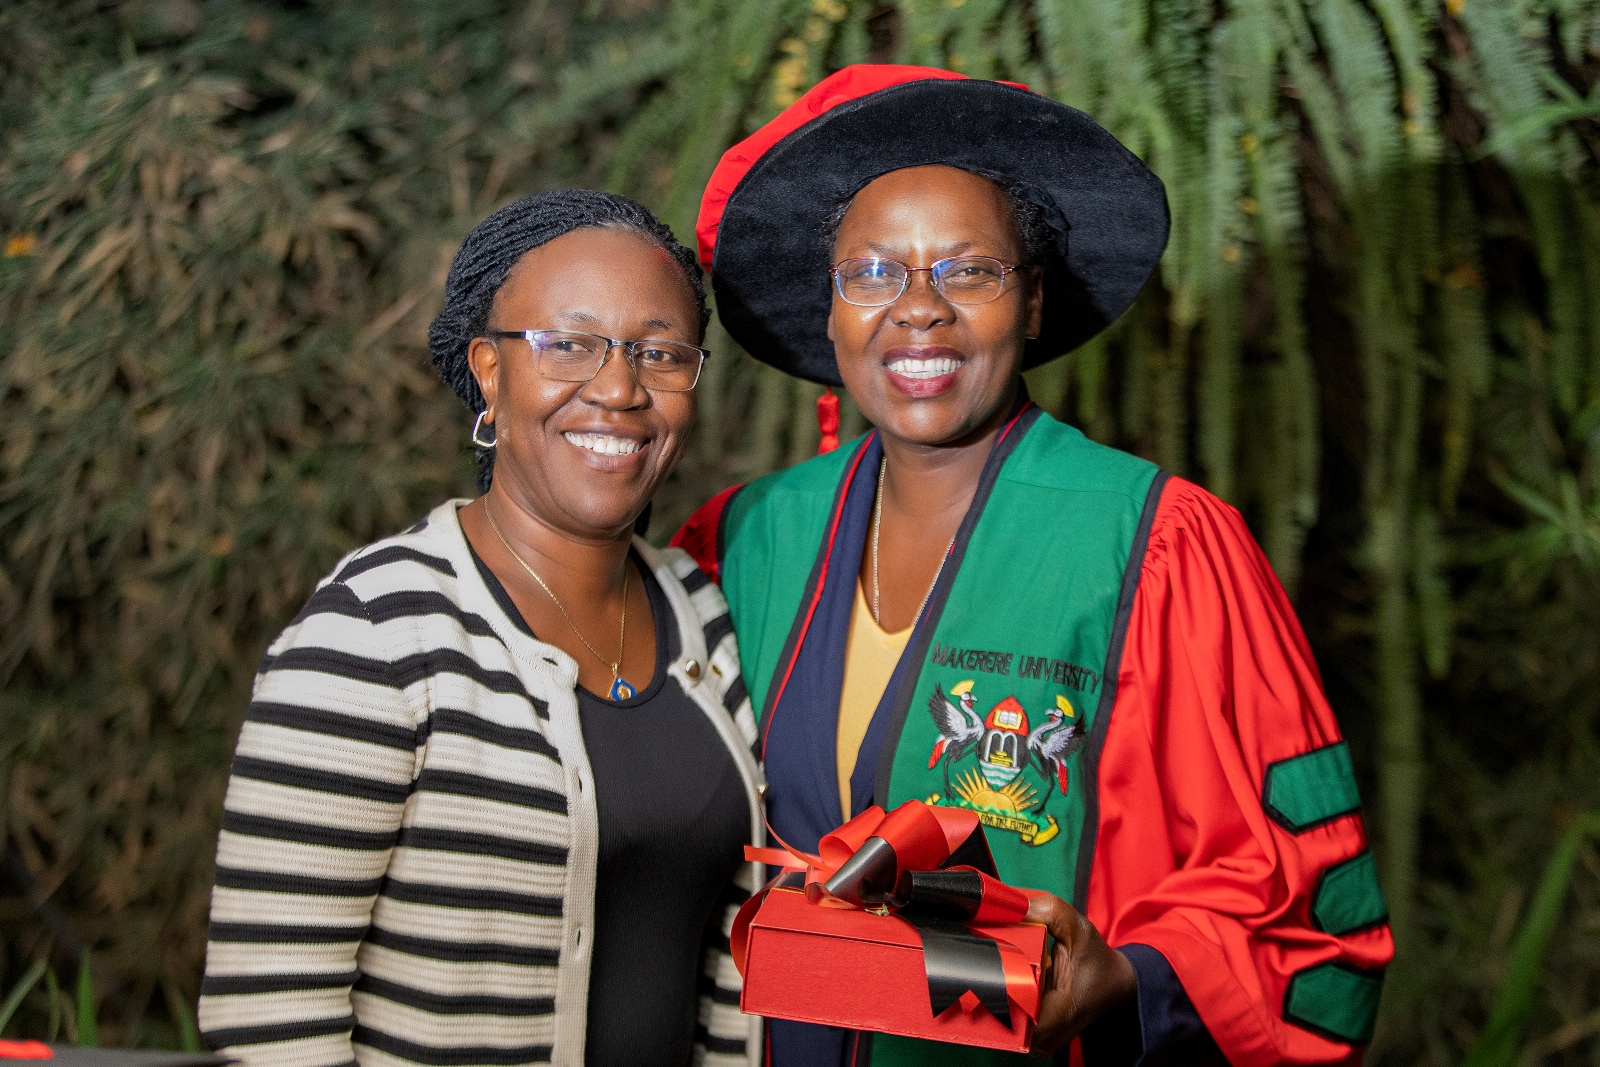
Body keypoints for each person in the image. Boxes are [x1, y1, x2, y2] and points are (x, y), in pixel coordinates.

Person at [674, 65, 1395, 1067]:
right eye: (871, 272)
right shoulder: (742, 538)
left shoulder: (1161, 543)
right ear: (829, 309)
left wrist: (1131, 979)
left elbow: (1304, 903)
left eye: (968, 269)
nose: (916, 308)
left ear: (1035, 299)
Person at [197, 190, 764, 1067]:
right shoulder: (375, 633)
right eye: (567, 343)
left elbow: (731, 957)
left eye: (659, 352)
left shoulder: (702, 614)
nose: (618, 388)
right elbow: (268, 1018)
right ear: (490, 374)